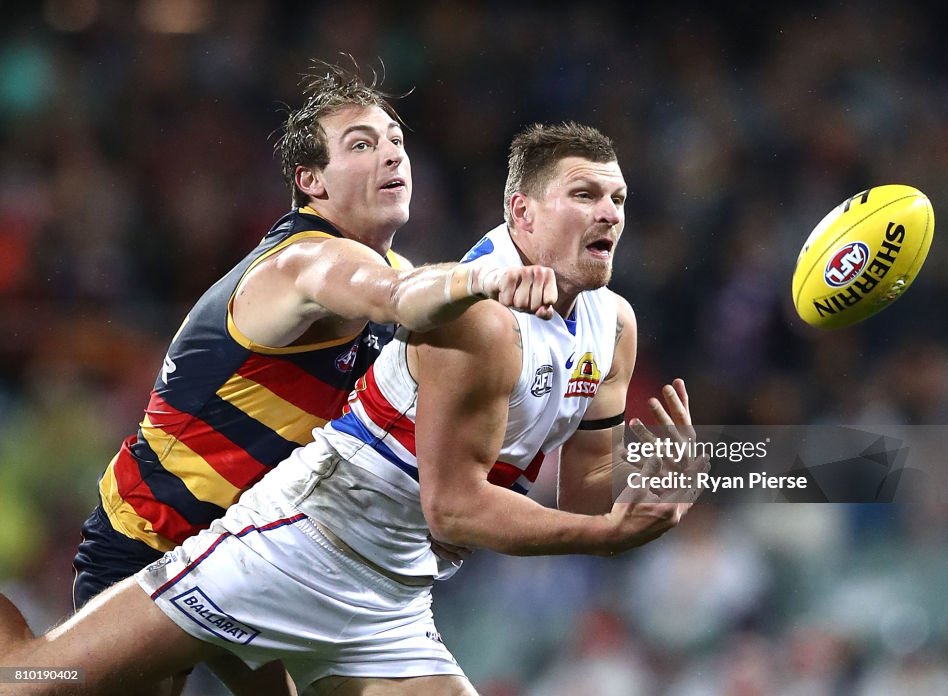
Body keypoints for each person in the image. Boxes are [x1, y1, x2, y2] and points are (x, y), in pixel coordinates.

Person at [0, 122, 705, 696]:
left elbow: (583, 507)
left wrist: (651, 491)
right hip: (288, 550)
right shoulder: (476, 320)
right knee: (32, 680)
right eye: (585, 195)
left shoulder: (614, 325)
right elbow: (454, 510)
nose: (610, 212)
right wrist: (612, 535)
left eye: (617, 198)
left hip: (390, 596)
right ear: (521, 211)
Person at [64, 57, 556, 696]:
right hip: (149, 547)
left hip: (263, 557)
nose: (392, 156)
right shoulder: (304, 263)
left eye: (396, 142)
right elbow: (396, 294)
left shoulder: (409, 281)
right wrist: (483, 277)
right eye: (361, 144)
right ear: (310, 181)